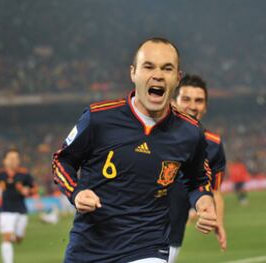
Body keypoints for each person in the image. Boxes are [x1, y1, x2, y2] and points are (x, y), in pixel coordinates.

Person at [52, 38, 217, 263]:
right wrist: (76, 192)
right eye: (148, 66)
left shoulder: (190, 132)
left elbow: (198, 179)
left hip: (147, 247)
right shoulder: (98, 118)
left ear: (177, 78)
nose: (158, 75)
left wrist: (204, 203)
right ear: (134, 73)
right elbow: (62, 161)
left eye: (167, 68)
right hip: (89, 249)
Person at [169, 74, 227, 263]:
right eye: (186, 99)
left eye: (199, 101)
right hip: (129, 231)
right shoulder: (151, 134)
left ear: (205, 107)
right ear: (173, 102)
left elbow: (215, 191)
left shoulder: (213, 145)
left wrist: (217, 220)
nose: (192, 106)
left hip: (171, 237)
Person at [0, 148, 38, 263]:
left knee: (19, 239)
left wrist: (28, 191)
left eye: (15, 158)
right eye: (10, 158)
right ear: (5, 160)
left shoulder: (24, 174)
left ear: (18, 160)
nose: (13, 160)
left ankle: (14, 235)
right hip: (5, 210)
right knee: (5, 238)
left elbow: (35, 189)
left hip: (21, 210)